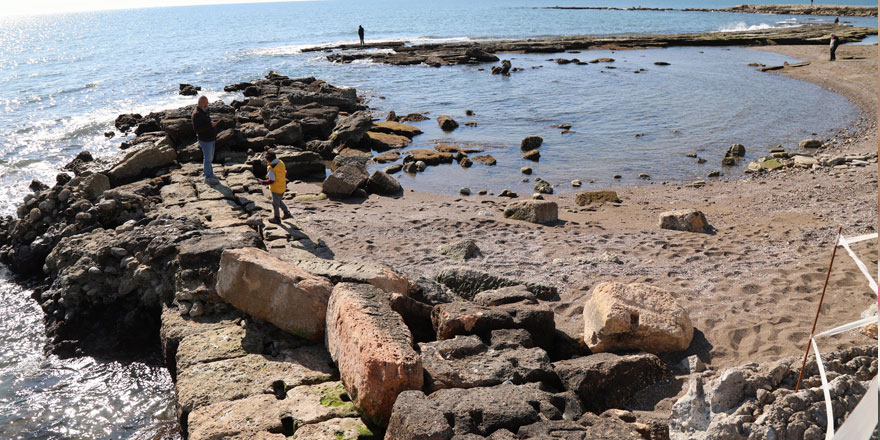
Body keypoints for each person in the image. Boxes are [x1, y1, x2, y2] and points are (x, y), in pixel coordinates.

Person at [191, 96, 219, 184]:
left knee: (209, 157)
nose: (207, 104)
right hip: (205, 139)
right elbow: (197, 129)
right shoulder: (196, 114)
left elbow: (206, 122)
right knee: (207, 158)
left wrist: (211, 124)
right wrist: (211, 125)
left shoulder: (203, 111)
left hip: (210, 138)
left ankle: (210, 173)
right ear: (201, 102)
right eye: (206, 102)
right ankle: (208, 177)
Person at [260, 151, 291, 224]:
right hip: (282, 186)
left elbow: (271, 181)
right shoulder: (281, 163)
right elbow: (285, 173)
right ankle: (287, 213)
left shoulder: (271, 168)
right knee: (279, 201)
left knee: (275, 203)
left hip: (276, 189)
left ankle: (277, 218)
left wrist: (262, 182)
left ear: (268, 160)